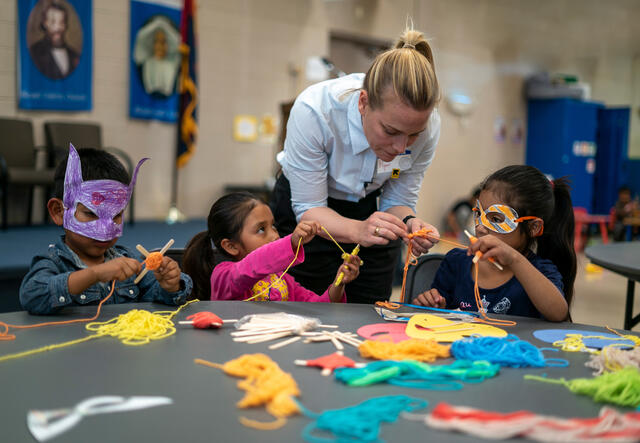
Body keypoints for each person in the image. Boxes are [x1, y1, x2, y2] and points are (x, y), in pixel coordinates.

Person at [271, 26, 441, 304]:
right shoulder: (315, 111)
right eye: (390, 130)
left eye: (413, 135)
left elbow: (397, 200)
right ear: (363, 103)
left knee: (370, 307)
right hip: (308, 210)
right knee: (305, 308)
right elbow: (309, 210)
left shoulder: (429, 125)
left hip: (369, 210)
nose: (401, 147)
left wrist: (410, 222)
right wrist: (359, 229)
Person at [20, 145, 193, 315]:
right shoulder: (53, 263)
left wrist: (170, 284)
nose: (105, 228)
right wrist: (95, 274)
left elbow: (157, 295)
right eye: (91, 214)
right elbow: (32, 296)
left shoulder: (127, 260)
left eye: (117, 215)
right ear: (58, 211)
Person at [413, 165, 576, 322]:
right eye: (479, 214)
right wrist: (433, 306)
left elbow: (558, 314)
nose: (481, 228)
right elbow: (439, 311)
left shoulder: (540, 271)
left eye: (496, 219)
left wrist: (514, 259)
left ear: (533, 227)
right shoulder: (455, 262)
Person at [183, 192, 360, 302]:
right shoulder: (224, 276)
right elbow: (251, 267)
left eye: (273, 226)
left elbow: (317, 307)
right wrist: (290, 243)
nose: (275, 235)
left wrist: (338, 285)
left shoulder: (282, 280)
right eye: (261, 230)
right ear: (231, 246)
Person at [29, 2, 80, 80]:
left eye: (62, 22)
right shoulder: (34, 52)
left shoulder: (73, 55)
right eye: (53, 22)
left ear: (66, 25)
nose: (58, 28)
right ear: (45, 23)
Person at [133, 16, 180, 97]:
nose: (159, 46)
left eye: (163, 42)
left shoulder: (171, 64)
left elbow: (178, 40)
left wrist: (163, 24)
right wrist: (157, 23)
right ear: (152, 44)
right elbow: (140, 35)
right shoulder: (148, 63)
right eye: (156, 41)